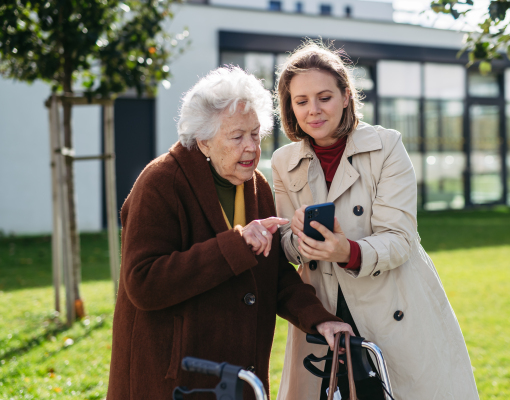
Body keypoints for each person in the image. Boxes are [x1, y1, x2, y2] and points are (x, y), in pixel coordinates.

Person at [106, 66, 352, 400]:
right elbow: (143, 283)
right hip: (174, 379)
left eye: (256, 134)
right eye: (237, 137)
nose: (251, 148)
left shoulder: (257, 187)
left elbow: (275, 275)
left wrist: (319, 319)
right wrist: (234, 246)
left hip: (236, 379)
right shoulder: (160, 182)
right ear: (204, 141)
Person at [271, 43, 480, 400]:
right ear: (289, 106)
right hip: (325, 313)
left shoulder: (386, 146)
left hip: (393, 308)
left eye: (324, 97)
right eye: (301, 101)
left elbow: (400, 238)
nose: (314, 110)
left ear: (346, 96)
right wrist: (299, 239)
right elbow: (286, 243)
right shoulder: (282, 161)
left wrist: (347, 251)